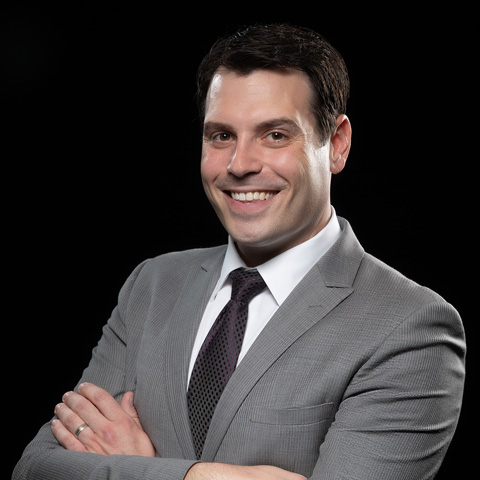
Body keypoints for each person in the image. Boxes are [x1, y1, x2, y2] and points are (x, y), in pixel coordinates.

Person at [13, 23, 465, 480]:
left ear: (337, 144)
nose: (240, 164)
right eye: (221, 136)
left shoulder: (410, 325)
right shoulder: (152, 285)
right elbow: (36, 468)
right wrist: (198, 477)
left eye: (274, 135)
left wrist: (135, 469)